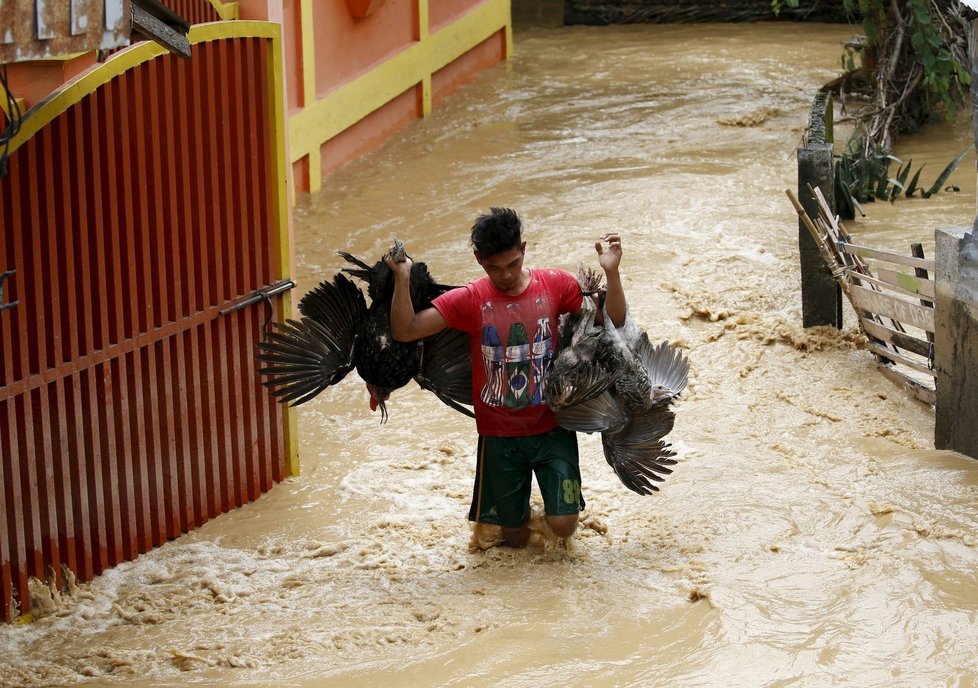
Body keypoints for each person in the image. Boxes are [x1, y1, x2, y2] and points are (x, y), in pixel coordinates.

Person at [386, 207, 626, 547]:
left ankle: (553, 508)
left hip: (553, 430)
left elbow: (612, 322)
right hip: (499, 437)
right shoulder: (471, 299)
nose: (506, 275)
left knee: (564, 524)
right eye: (494, 268)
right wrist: (402, 276)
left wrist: (612, 273)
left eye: (513, 264)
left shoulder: (555, 285)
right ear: (479, 260)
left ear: (524, 249)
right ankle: (516, 520)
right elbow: (406, 329)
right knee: (513, 538)